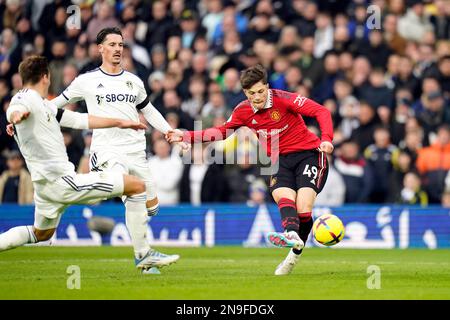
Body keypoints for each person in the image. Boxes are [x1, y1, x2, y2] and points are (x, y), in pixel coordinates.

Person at [0, 56, 179, 271]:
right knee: (136, 186)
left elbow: (80, 120)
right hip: (63, 183)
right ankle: (143, 255)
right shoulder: (26, 98)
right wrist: (15, 116)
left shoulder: (44, 106)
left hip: (45, 188)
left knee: (41, 234)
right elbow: (15, 107)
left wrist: (121, 122)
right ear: (46, 77)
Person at [167, 64, 334, 275]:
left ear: (268, 87)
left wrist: (326, 139)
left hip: (309, 154)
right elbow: (220, 132)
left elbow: (321, 111)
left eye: (261, 91)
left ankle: (293, 255)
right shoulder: (243, 111)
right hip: (278, 160)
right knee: (283, 196)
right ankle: (291, 234)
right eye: (251, 93)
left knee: (303, 209)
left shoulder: (284, 99)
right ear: (245, 93)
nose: (257, 97)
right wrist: (186, 136)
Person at [45, 28, 184, 271]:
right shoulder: (85, 81)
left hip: (137, 151)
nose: (118, 49)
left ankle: (143, 255)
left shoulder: (134, 81)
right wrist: (24, 118)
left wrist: (168, 131)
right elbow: (53, 105)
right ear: (100, 48)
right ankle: (143, 255)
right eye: (112, 44)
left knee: (151, 207)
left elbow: (148, 110)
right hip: (107, 150)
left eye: (121, 45)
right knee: (132, 192)